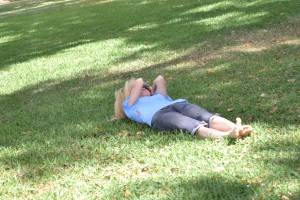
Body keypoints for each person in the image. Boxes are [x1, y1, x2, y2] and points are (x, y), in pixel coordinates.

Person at [114, 75, 252, 139]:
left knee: (207, 117)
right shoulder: (130, 105)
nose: (143, 89)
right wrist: (138, 88)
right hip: (159, 116)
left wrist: (152, 90)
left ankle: (237, 127)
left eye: (145, 88)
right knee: (193, 126)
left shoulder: (160, 97)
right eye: (139, 90)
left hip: (177, 104)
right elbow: (138, 81)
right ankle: (227, 135)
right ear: (131, 93)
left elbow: (160, 79)